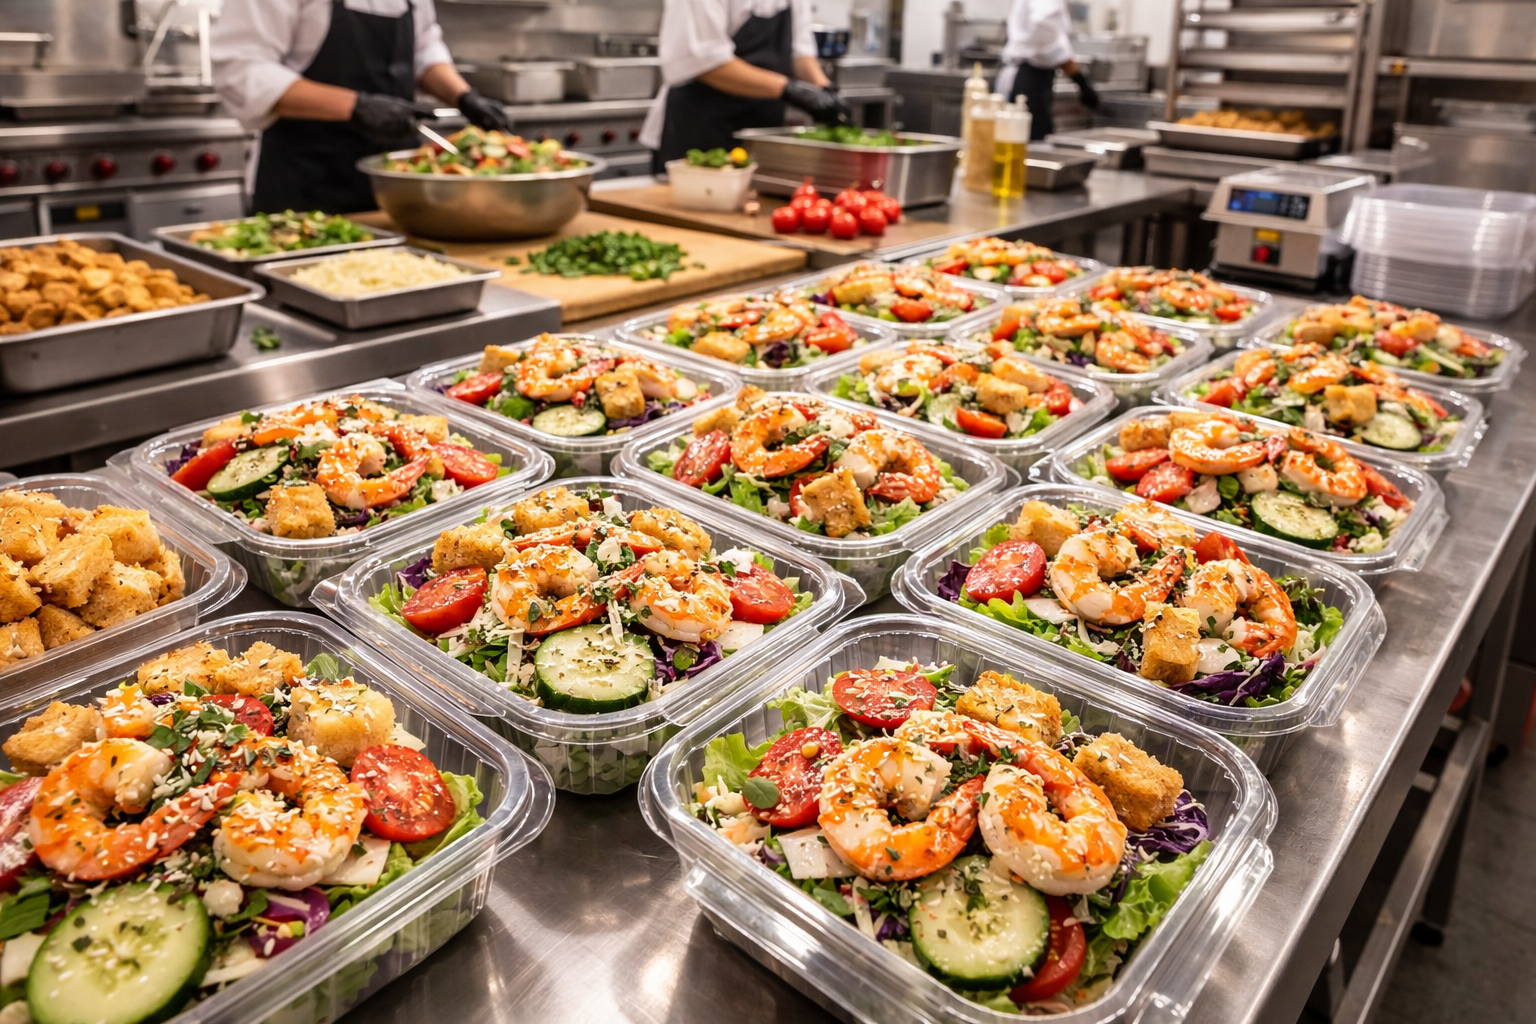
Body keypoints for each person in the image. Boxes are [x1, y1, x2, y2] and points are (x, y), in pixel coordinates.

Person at [212, 0, 515, 214]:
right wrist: (357, 106)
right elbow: (242, 70)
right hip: (307, 184)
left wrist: (464, 97)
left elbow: (423, 49)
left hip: (398, 195)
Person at [640, 0, 852, 171]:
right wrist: (789, 89)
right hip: (700, 130)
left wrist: (824, 89)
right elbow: (705, 61)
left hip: (761, 135)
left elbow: (800, 52)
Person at [996, 0, 1097, 140]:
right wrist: (1080, 81)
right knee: (1032, 146)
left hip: (1024, 75)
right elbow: (1043, 28)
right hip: (1030, 79)